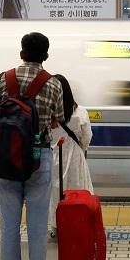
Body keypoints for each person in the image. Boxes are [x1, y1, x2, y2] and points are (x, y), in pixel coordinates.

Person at [0, 32, 64, 260]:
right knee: (36, 226)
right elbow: (56, 120)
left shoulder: (5, 78)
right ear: (46, 56)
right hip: (39, 158)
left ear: (21, 52)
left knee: (8, 226)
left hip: (7, 159)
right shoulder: (54, 84)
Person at [48, 74, 94, 238]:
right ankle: (79, 223)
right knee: (78, 190)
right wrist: (80, 149)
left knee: (56, 193)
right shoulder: (80, 112)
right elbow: (86, 138)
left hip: (53, 158)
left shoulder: (48, 114)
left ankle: (57, 226)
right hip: (75, 158)